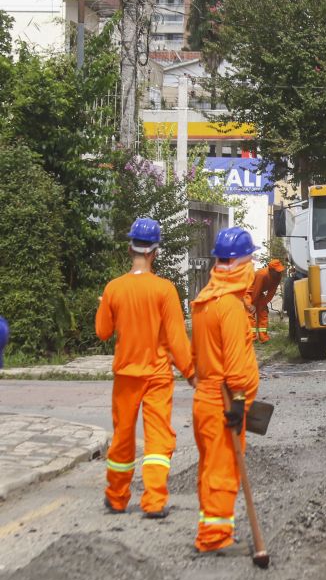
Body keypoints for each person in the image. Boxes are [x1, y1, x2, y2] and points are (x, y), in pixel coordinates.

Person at [94, 217, 194, 518]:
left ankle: (116, 497)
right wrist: (191, 372)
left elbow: (102, 332)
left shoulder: (114, 288)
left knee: (122, 437)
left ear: (130, 249)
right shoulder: (164, 290)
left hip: (126, 375)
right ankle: (153, 501)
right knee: (158, 438)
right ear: (155, 252)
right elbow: (176, 339)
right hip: (158, 376)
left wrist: (104, 304)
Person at [190, 227, 260, 553]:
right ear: (241, 264)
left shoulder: (205, 301)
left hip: (206, 396)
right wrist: (240, 401)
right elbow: (234, 365)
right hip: (225, 400)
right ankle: (214, 537)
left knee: (209, 468)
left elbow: (198, 356)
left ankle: (212, 527)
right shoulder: (229, 307)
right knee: (222, 469)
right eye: (252, 260)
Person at [246, 259, 284, 343]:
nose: (279, 273)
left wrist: (264, 303)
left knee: (263, 313)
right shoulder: (262, 274)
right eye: (277, 271)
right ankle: (252, 338)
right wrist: (252, 305)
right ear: (270, 270)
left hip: (258, 293)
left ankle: (263, 337)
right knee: (250, 313)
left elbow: (271, 292)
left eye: (280, 271)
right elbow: (256, 289)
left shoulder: (277, 277)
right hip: (248, 293)